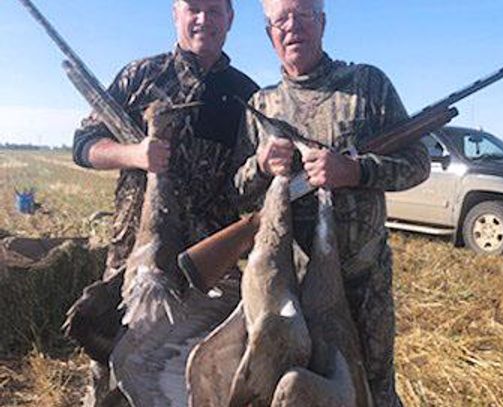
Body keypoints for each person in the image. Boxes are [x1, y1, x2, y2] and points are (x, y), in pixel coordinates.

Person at [234, 0, 430, 405]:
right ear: (268, 34)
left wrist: (355, 172)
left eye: (303, 14)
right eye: (280, 20)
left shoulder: (366, 85)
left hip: (362, 284)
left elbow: (417, 164)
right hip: (284, 291)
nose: (292, 27)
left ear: (322, 22)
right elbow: (237, 191)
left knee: (371, 391)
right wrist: (261, 165)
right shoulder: (261, 106)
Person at [68, 0, 258, 405]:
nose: (203, 19)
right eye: (193, 8)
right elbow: (82, 146)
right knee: (113, 372)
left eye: (214, 9)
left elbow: (251, 187)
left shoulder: (247, 96)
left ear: (230, 18)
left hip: (206, 273)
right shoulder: (140, 77)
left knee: (188, 377)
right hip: (135, 262)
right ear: (176, 13)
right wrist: (134, 155)